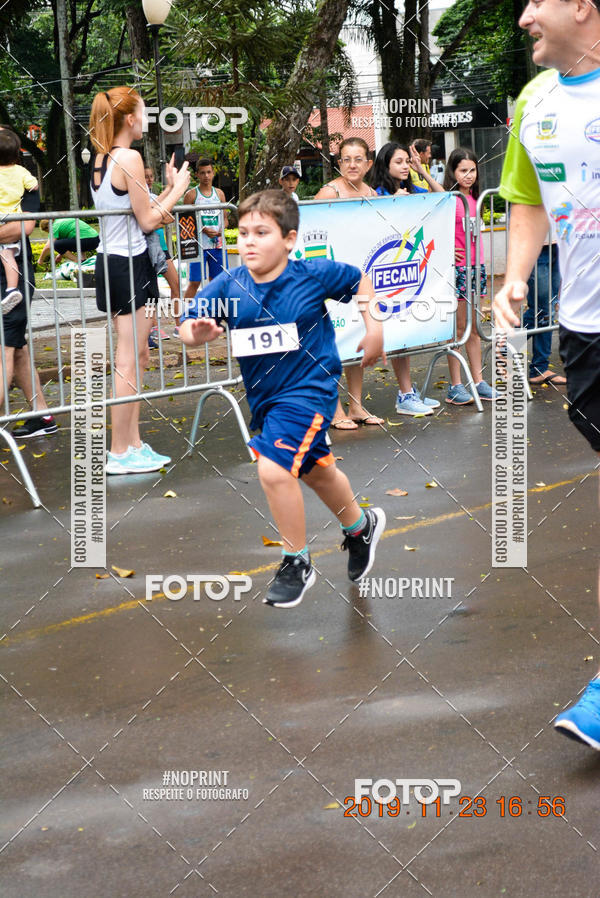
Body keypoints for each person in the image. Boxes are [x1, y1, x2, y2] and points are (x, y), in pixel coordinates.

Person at [179, 190, 386, 607]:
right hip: (267, 400)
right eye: (242, 233)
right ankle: (360, 527)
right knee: (315, 472)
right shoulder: (229, 284)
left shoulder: (311, 274)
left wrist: (374, 323)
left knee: (274, 470)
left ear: (289, 239)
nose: (249, 241)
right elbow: (188, 325)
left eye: (262, 232)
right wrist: (196, 334)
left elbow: (359, 279)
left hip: (311, 389)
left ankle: (296, 562)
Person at [492, 0, 600, 750]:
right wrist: (516, 274)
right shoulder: (533, 101)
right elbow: (528, 200)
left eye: (540, 2)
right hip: (584, 334)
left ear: (584, 9)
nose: (526, 14)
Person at [89, 87, 190, 475]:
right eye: (145, 111)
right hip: (126, 266)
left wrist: (167, 187)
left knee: (139, 356)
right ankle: (118, 452)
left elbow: (145, 212)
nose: (148, 118)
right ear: (130, 118)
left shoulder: (102, 158)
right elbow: (150, 220)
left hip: (123, 264)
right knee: (129, 361)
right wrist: (180, 188)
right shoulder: (127, 156)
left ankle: (132, 443)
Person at [413, 147, 498, 405]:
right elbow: (439, 202)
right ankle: (455, 386)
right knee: (458, 329)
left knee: (474, 328)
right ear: (453, 172)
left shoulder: (476, 199)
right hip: (458, 271)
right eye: (463, 170)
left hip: (477, 269)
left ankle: (478, 380)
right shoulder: (451, 199)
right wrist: (422, 172)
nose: (469, 175)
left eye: (472, 170)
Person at [314, 137, 384, 429]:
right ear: (338, 162)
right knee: (331, 344)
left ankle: (355, 405)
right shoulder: (327, 192)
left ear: (368, 164)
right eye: (346, 159)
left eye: (358, 159)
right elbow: (313, 233)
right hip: (330, 279)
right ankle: (334, 408)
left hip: (361, 279)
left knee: (357, 339)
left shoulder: (372, 194)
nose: (352, 165)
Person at [371, 142, 441, 417]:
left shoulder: (413, 190)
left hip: (408, 275)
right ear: (385, 166)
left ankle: (407, 392)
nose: (403, 166)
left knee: (404, 336)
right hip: (383, 275)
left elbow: (442, 195)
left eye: (405, 161)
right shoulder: (376, 193)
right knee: (396, 336)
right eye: (398, 162)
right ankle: (404, 394)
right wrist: (391, 202)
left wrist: (421, 171)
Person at [0, 128, 57, 437]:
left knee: (5, 347)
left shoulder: (24, 182)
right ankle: (43, 416)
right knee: (16, 347)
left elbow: (23, 227)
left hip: (13, 278)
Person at [143, 164, 182, 346]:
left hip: (162, 247)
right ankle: (153, 327)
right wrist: (156, 220)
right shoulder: (140, 199)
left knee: (175, 283)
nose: (149, 179)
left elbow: (169, 217)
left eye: (151, 176)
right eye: (145, 176)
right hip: (147, 248)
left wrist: (155, 220)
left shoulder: (156, 197)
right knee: (151, 290)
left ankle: (178, 324)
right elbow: (147, 223)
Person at [0, 129, 38, 314]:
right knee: (7, 255)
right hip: (12, 216)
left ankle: (12, 290)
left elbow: (26, 227)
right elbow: (34, 184)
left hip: (10, 224)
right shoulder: (21, 172)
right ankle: (12, 289)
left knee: (12, 327)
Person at [182, 158, 229, 305]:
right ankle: (186, 317)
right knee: (195, 282)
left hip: (218, 246)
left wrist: (222, 230)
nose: (206, 176)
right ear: (197, 174)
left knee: (218, 282)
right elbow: (184, 223)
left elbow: (226, 219)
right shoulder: (191, 195)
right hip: (199, 246)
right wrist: (202, 229)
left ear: (213, 173)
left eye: (209, 172)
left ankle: (216, 315)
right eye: (202, 173)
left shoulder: (220, 194)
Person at [524, 243, 566, 385]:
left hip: (557, 244)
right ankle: (504, 344)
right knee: (542, 309)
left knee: (548, 308)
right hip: (535, 245)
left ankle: (540, 369)